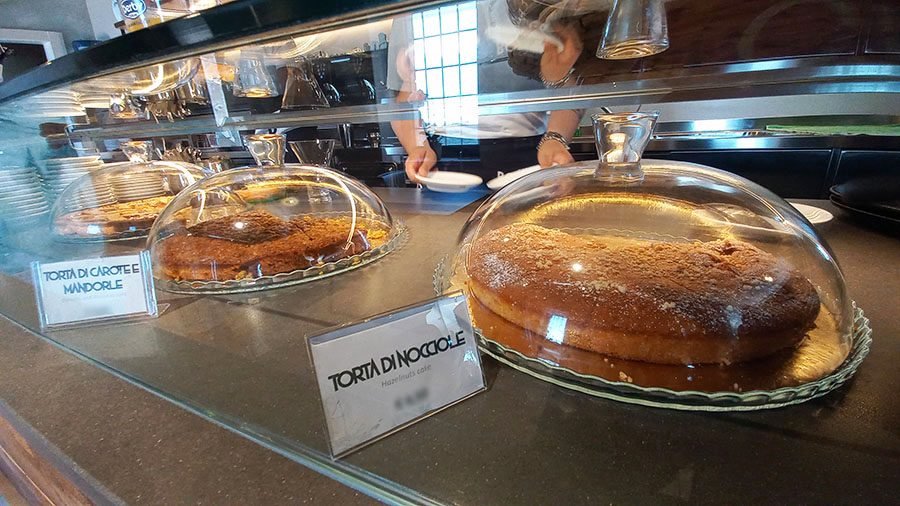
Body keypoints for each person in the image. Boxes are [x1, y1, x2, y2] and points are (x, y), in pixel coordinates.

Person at [387, 0, 583, 183]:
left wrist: (555, 138)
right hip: (440, 157)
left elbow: (569, 78)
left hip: (532, 152)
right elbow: (403, 97)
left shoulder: (539, 4)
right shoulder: (410, 6)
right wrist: (417, 146)